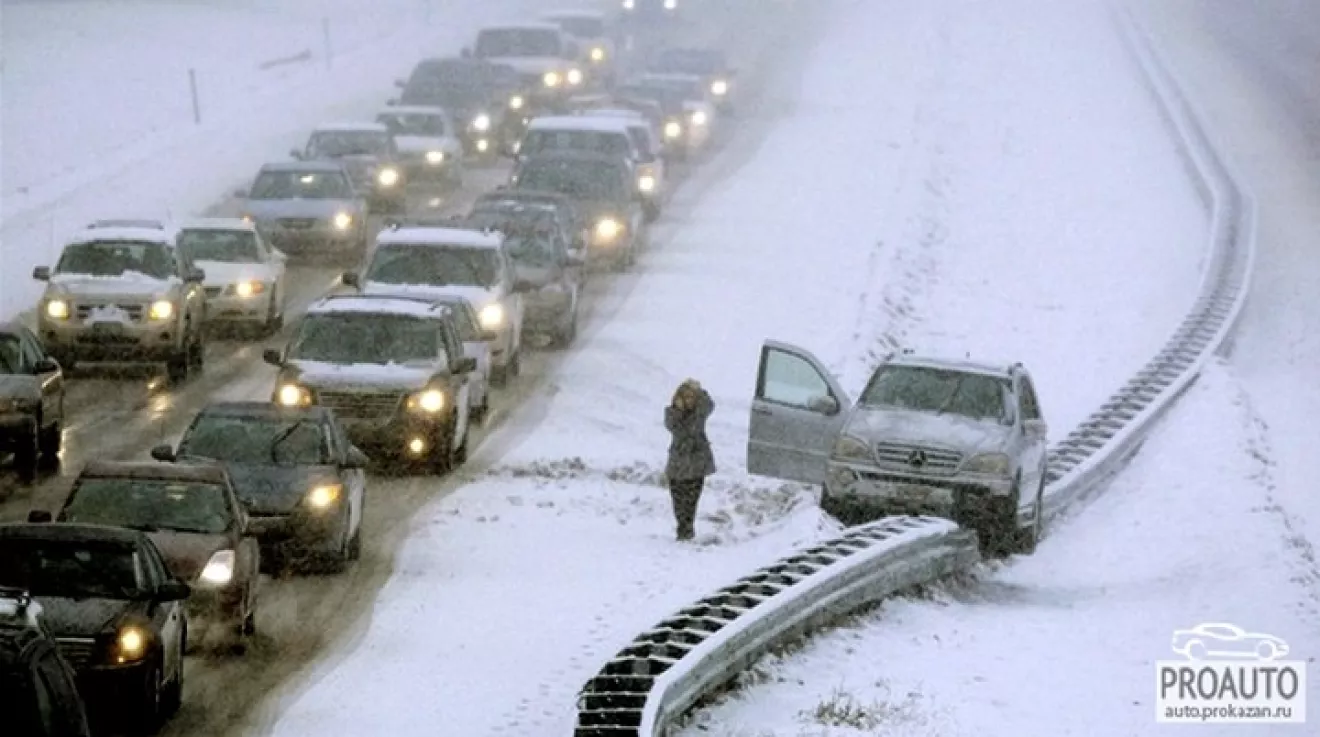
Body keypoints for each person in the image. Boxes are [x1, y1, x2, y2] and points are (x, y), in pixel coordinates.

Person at [664, 378, 715, 541]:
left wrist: (701, 392)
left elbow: (709, 405)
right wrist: (678, 410)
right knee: (678, 499)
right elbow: (675, 428)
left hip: (696, 462)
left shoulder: (699, 414)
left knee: (691, 500)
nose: (688, 401)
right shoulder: (672, 414)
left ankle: (686, 530)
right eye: (685, 397)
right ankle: (683, 528)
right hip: (678, 463)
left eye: (692, 397)